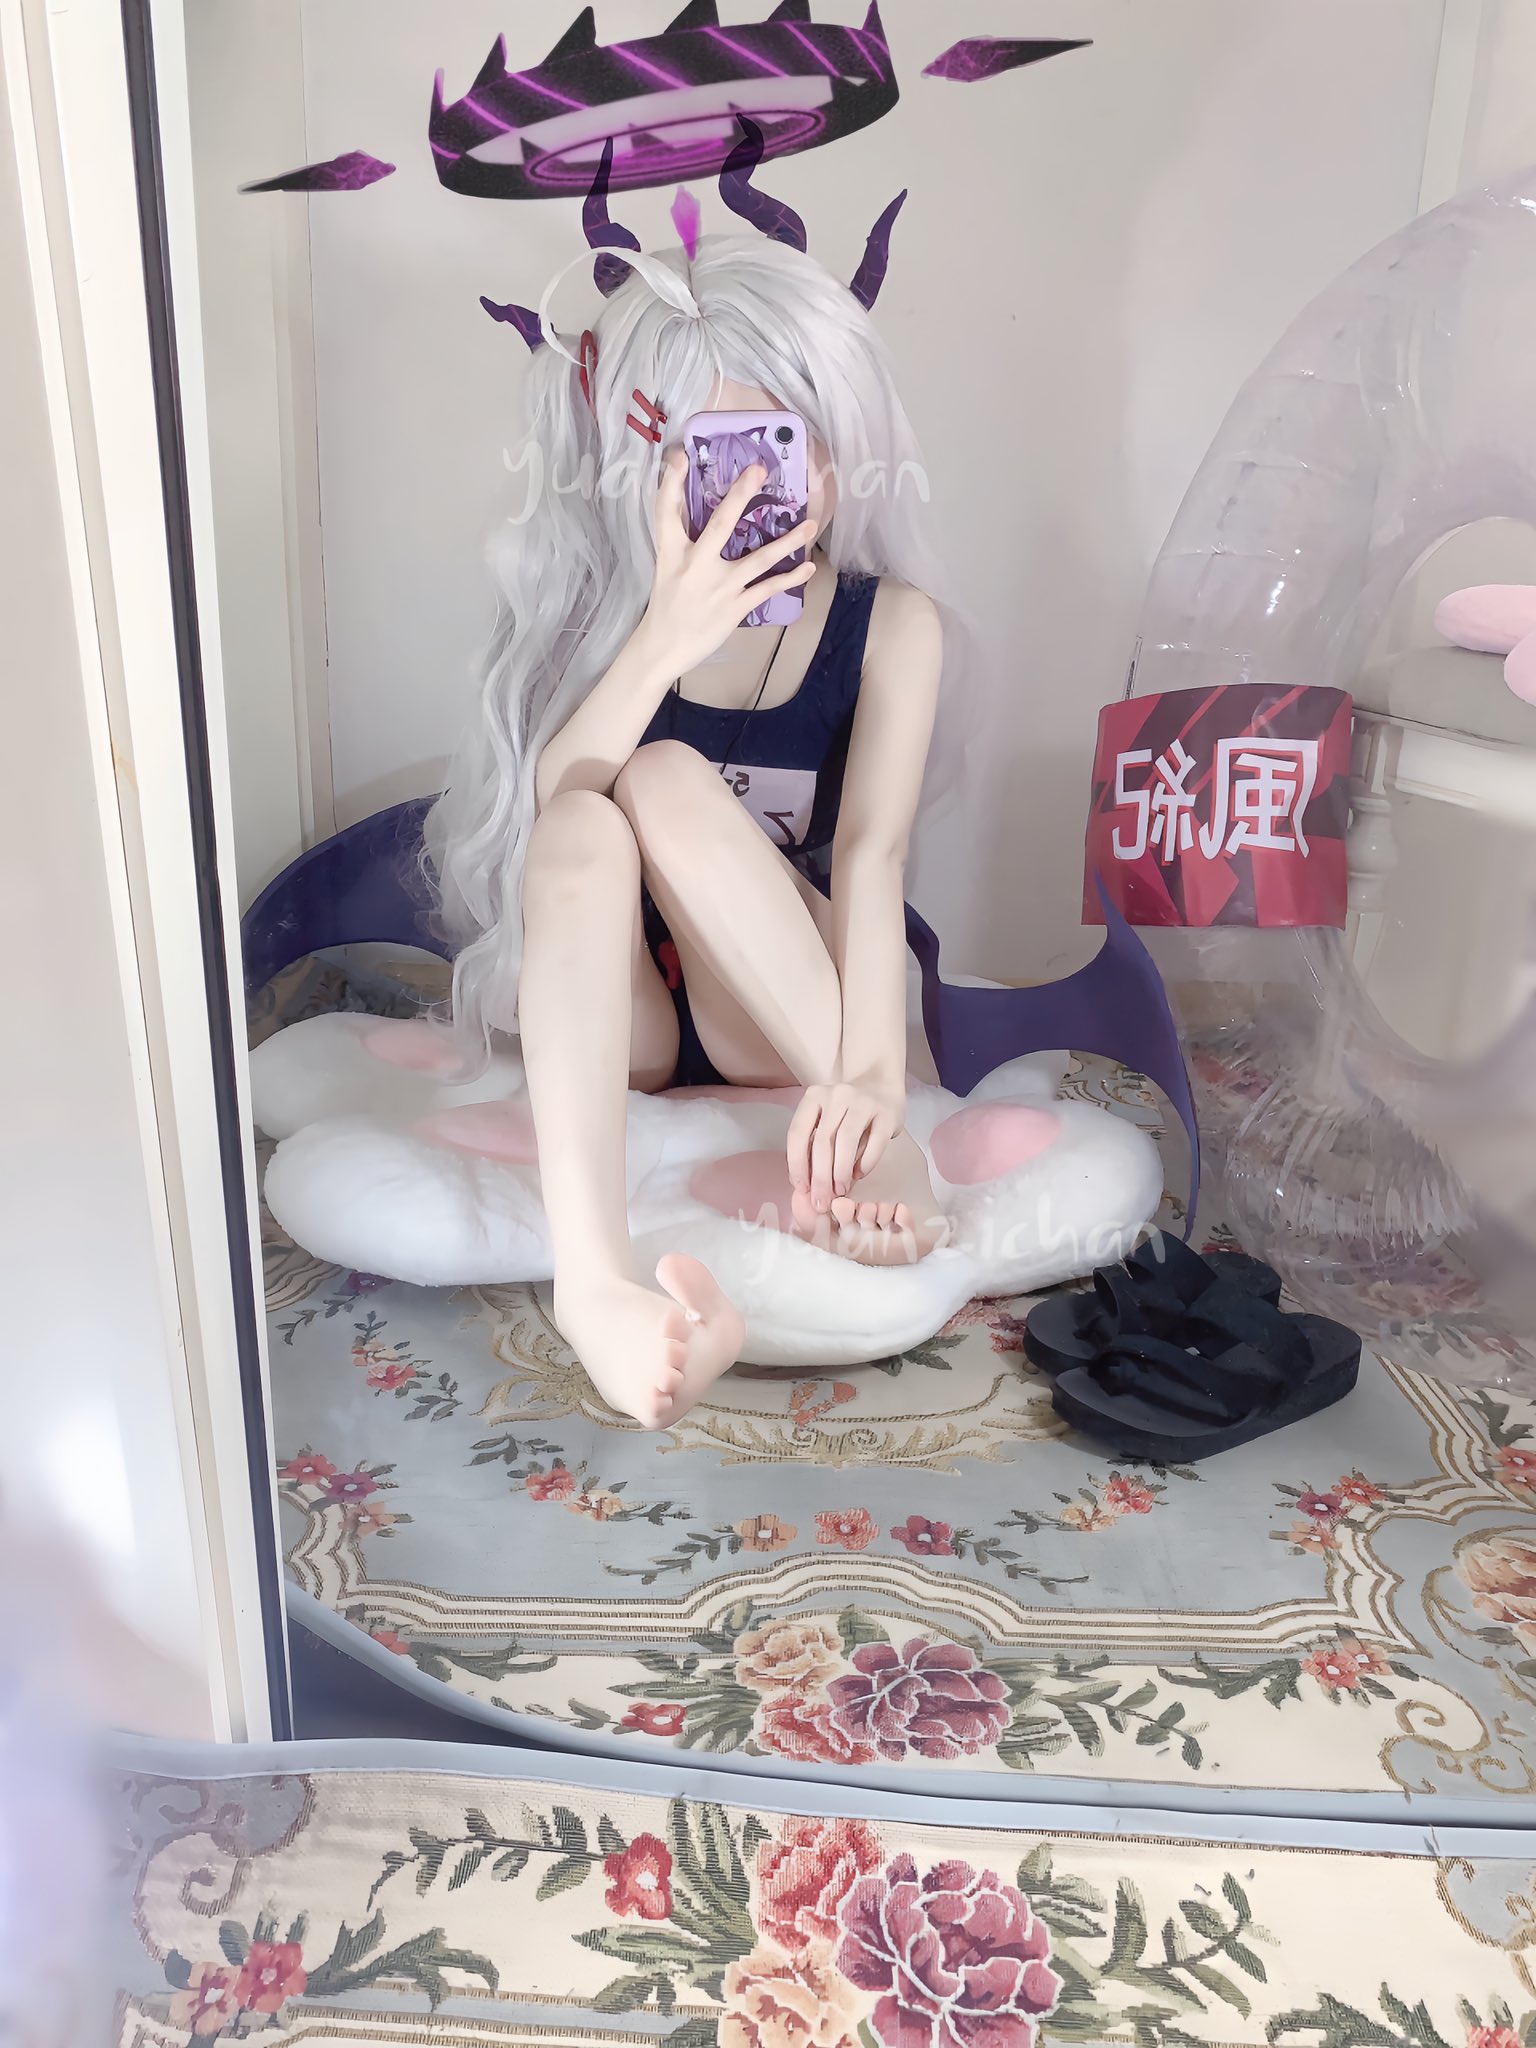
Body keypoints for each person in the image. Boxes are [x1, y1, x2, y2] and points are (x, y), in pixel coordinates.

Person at [429, 159, 956, 1429]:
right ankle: (595, 1283)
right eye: (719, 457)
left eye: (789, 444)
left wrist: (875, 1086)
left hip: (778, 1004)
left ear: (836, 451)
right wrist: (667, 633)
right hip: (639, 1022)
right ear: (654, 471)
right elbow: (553, 820)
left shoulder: (891, 627)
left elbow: (873, 858)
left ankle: (875, 1155)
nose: (765, 489)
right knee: (596, 800)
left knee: (665, 777)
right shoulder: (614, 627)